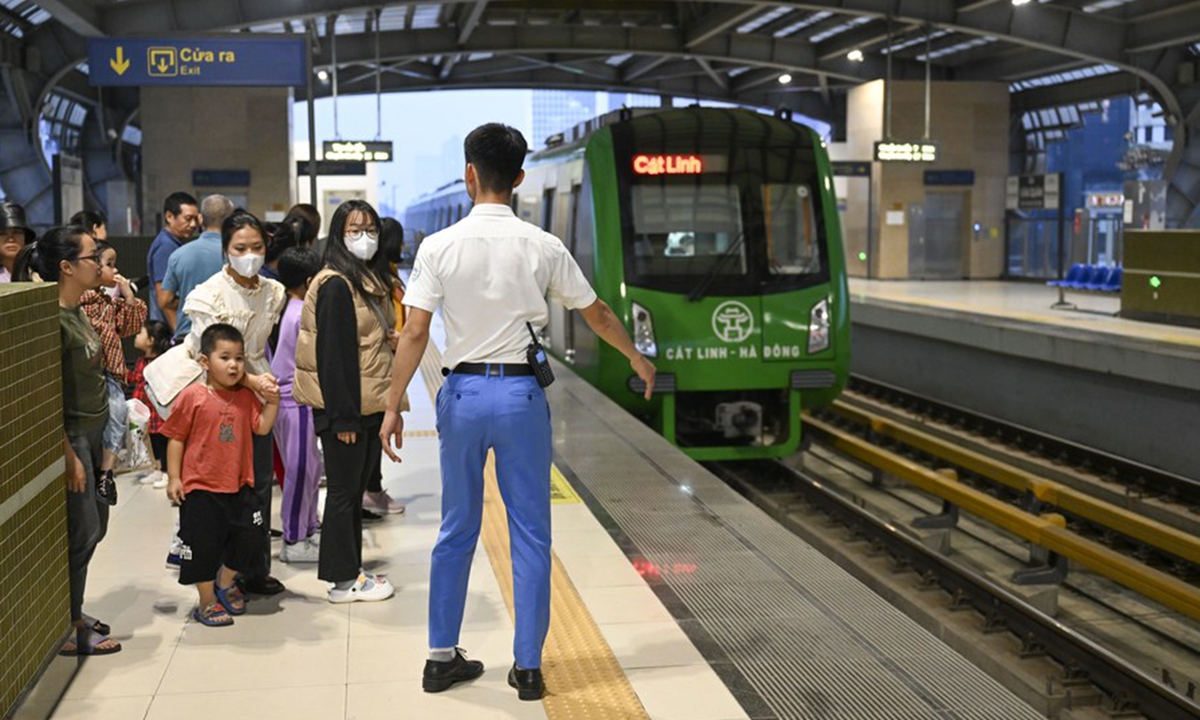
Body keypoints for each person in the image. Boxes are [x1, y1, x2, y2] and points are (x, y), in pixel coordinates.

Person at [379, 123, 656, 699]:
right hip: (521, 396)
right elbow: (597, 313)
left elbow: (414, 334)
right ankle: (528, 668)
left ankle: (439, 658)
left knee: (457, 528)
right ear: (521, 179)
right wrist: (637, 358)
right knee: (531, 531)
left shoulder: (438, 246)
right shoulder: (543, 245)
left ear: (470, 174)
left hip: (463, 395)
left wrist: (391, 404)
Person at [145, 210, 287, 595]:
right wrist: (252, 378)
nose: (250, 254)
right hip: (214, 396)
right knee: (213, 489)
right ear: (226, 250)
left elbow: (265, 344)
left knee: (256, 484)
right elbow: (213, 355)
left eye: (257, 247)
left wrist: (264, 382)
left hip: (256, 394)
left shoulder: (274, 291)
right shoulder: (207, 294)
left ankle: (251, 569)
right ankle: (215, 571)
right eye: (240, 248)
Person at [24, 226, 122, 655]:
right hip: (76, 437)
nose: (99, 265)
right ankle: (67, 624)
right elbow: (46, 399)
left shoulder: (78, 309)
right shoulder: (53, 321)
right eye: (91, 257)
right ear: (66, 267)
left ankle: (73, 611)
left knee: (95, 528)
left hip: (96, 433)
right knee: (81, 534)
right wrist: (70, 456)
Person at [294, 199, 396, 603]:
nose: (365, 237)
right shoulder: (336, 284)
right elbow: (334, 358)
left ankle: (351, 571)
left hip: (363, 407)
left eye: (371, 229)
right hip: (347, 412)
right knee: (341, 493)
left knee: (350, 493)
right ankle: (342, 580)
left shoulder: (359, 280)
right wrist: (344, 419)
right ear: (338, 236)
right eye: (355, 230)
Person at [163, 324, 280, 626]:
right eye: (225, 357)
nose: (233, 365)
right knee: (202, 545)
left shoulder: (245, 396)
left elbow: (262, 428)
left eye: (239, 358)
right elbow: (175, 437)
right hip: (200, 488)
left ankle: (225, 581)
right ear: (205, 361)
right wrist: (175, 478)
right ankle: (207, 601)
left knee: (252, 535)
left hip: (241, 485)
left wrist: (273, 402)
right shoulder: (193, 397)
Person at [80, 240, 148, 503]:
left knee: (118, 412)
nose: (115, 269)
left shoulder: (107, 301)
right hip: (93, 373)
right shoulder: (83, 301)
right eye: (109, 264)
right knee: (115, 412)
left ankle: (106, 471)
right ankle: (104, 471)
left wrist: (128, 294)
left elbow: (129, 327)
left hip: (111, 374)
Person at [271, 247, 324, 563]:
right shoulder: (301, 311)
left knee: (310, 467)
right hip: (295, 399)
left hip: (296, 399)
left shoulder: (287, 306)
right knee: (300, 469)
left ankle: (308, 528)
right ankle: (293, 538)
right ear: (309, 280)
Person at [362, 216, 407, 517]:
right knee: (373, 433)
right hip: (381, 365)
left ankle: (372, 490)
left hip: (384, 362)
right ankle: (371, 492)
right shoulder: (385, 279)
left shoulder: (385, 275)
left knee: (375, 433)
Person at [161, 194, 234, 342]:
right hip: (227, 338)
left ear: (200, 219)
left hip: (187, 336)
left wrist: (186, 297)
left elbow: (165, 300)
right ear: (231, 222)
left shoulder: (178, 255)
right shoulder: (235, 256)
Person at [129, 320, 173, 488]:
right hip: (145, 407)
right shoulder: (142, 360)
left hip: (158, 407)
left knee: (163, 439)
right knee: (152, 439)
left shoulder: (162, 361)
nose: (137, 336)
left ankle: (168, 472)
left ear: (151, 340)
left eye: (140, 333)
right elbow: (137, 378)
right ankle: (157, 468)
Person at [147, 192, 200, 328]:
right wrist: (178, 336)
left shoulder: (174, 244)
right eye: (188, 218)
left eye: (196, 219)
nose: (193, 224)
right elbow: (165, 299)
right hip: (167, 329)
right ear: (169, 216)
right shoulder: (166, 247)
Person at [0, 201, 35, 283]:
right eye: (3, 233)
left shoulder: (41, 273)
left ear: (25, 237)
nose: (11, 239)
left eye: (16, 232)